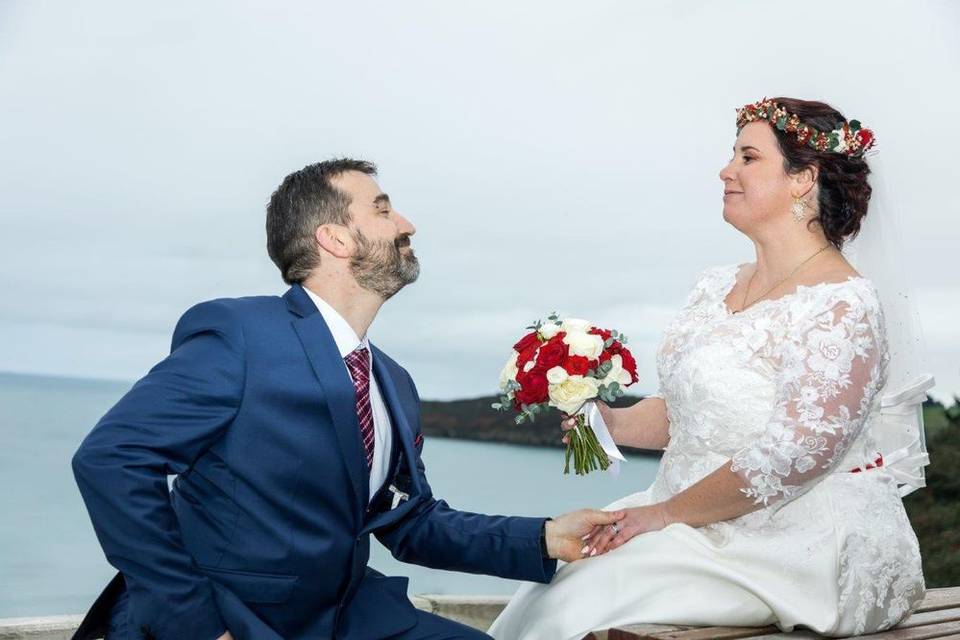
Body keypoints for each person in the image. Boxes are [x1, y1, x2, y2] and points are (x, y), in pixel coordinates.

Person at [70, 159, 626, 640]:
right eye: (383, 210)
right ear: (334, 238)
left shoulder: (394, 382)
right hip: (236, 618)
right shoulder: (240, 335)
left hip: (351, 615)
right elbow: (113, 460)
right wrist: (196, 625)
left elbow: (409, 523)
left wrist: (545, 537)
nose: (407, 224)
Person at [488, 97, 927, 639]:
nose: (727, 171)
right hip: (685, 518)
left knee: (580, 601)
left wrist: (666, 515)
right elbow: (691, 413)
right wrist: (609, 419)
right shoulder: (716, 285)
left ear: (803, 179)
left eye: (748, 157)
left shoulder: (840, 304)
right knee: (556, 575)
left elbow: (798, 454)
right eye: (732, 156)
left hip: (792, 540)